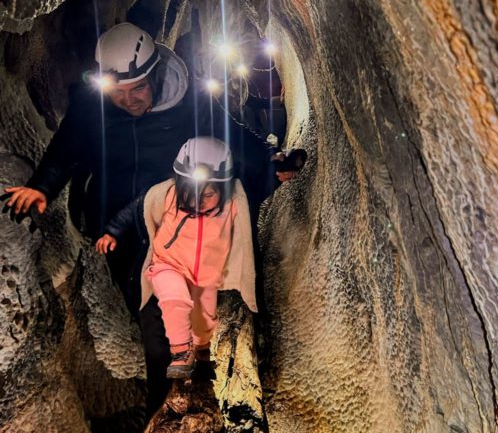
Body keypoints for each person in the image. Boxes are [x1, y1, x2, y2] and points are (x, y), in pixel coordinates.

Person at [2, 21, 303, 412]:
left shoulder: (190, 101)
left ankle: (191, 382)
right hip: (119, 215)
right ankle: (169, 402)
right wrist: (42, 185)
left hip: (176, 214)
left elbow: (230, 140)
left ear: (156, 73)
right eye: (120, 93)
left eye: (138, 89)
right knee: (147, 302)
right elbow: (68, 146)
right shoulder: (93, 106)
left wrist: (269, 165)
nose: (129, 101)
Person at [96, 137, 256, 379]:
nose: (198, 199)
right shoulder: (168, 195)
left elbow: (261, 187)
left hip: (206, 274)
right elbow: (138, 206)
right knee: (175, 300)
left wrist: (280, 168)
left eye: (208, 194)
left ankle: (202, 350)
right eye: (191, 192)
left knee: (204, 319)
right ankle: (181, 352)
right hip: (167, 264)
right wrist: (113, 231)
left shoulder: (232, 205)